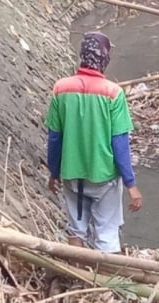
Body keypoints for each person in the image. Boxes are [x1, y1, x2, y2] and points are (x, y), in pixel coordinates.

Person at [45, 31, 142, 253]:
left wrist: (54, 172)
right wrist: (131, 185)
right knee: (106, 233)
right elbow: (119, 143)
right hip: (104, 177)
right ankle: (106, 283)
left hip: (71, 175)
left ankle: (77, 272)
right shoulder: (113, 93)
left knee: (76, 229)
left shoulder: (60, 89)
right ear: (104, 59)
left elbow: (54, 137)